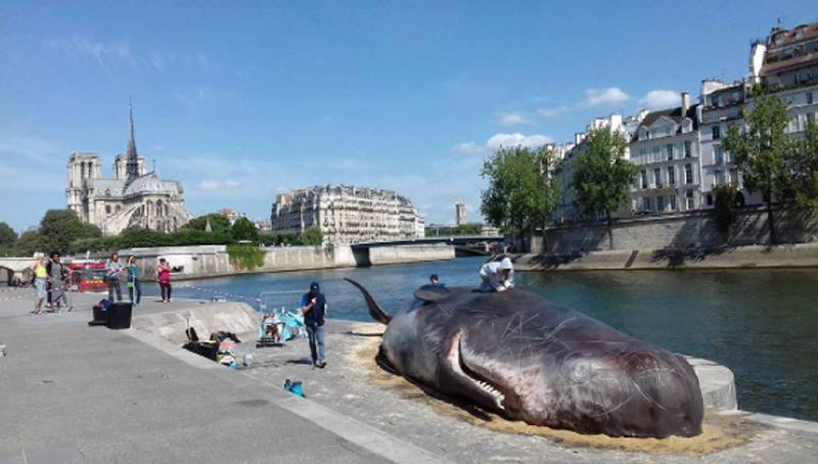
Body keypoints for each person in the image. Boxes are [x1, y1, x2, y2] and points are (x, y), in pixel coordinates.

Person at [299, 282, 327, 368]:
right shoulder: (305, 297)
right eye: (313, 290)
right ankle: (314, 358)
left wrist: (324, 315)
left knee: (321, 341)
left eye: (316, 290)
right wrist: (311, 304)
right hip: (309, 323)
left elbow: (324, 307)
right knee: (312, 342)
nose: (315, 292)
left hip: (319, 323)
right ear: (311, 290)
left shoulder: (322, 296)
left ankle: (322, 359)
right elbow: (303, 310)